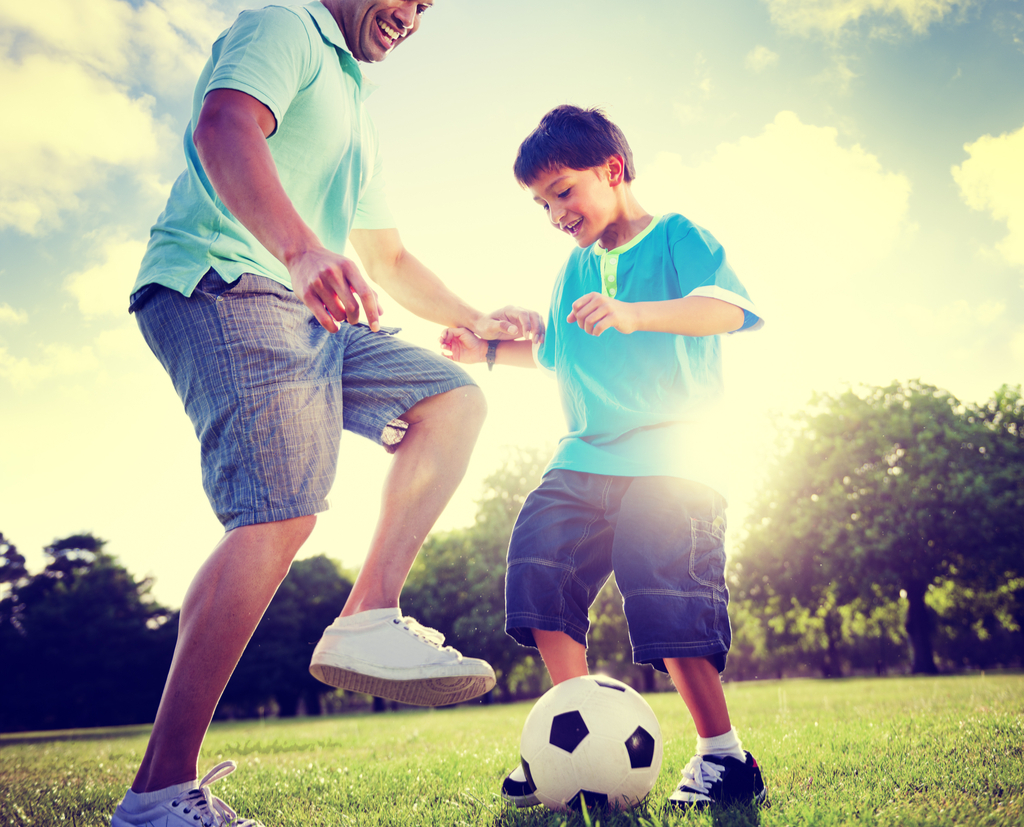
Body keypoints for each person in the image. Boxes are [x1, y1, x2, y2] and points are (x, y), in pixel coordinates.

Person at [111, 2, 540, 826]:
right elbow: (223, 124)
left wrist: (477, 318)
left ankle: (367, 612)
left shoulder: (355, 103)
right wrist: (302, 249)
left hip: (315, 314)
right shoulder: (286, 25)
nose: (412, 17)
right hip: (227, 283)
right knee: (279, 514)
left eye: (426, 9)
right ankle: (159, 792)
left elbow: (389, 258)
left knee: (451, 399)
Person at [441, 104, 768, 810]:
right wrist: (488, 349)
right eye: (541, 203)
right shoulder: (571, 269)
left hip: (676, 454)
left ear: (613, 170)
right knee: (539, 565)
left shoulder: (678, 236)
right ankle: (576, 743)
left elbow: (727, 310)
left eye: (562, 191)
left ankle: (725, 756)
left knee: (664, 588)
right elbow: (556, 353)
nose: (554, 212)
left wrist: (635, 313)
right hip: (585, 456)